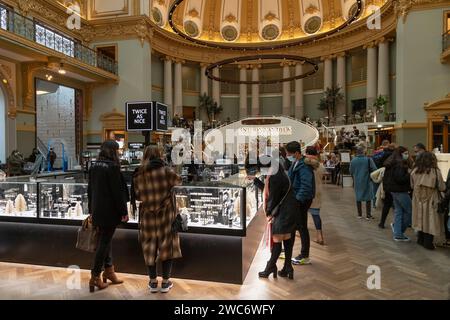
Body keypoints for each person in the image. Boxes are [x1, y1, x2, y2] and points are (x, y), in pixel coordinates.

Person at [131, 145, 182, 293]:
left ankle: (153, 282)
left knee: (149, 248)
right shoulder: (166, 171)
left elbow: (138, 196)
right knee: (167, 247)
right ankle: (165, 282)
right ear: (159, 155)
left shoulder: (139, 174)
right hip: (166, 216)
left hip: (147, 215)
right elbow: (179, 181)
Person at [88, 140, 129, 292]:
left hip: (97, 210)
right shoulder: (113, 167)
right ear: (113, 151)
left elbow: (90, 190)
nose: (118, 153)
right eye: (117, 150)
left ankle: (109, 271)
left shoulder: (94, 166)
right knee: (104, 243)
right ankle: (95, 275)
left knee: (105, 240)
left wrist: (91, 210)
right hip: (110, 212)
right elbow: (117, 193)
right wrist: (124, 212)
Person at [248, 155, 297, 280]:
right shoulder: (279, 173)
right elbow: (271, 191)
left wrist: (269, 213)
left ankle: (270, 267)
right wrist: (255, 181)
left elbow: (272, 197)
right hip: (289, 210)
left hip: (282, 213)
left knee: (277, 240)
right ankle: (287, 268)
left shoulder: (274, 177)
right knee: (286, 239)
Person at [285, 141, 315, 266]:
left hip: (302, 200)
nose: (287, 155)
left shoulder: (303, 165)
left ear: (296, 153)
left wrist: (297, 200)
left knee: (302, 227)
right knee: (298, 226)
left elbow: (306, 186)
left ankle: (304, 255)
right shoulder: (296, 162)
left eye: (289, 153)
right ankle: (290, 252)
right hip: (298, 199)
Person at [410, 152, 446, 250]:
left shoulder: (415, 171)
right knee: (430, 220)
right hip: (431, 199)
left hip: (417, 198)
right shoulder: (435, 171)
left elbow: (412, 185)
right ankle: (428, 243)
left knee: (420, 218)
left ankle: (420, 240)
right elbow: (442, 187)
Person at [383, 146, 413, 241]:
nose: (407, 155)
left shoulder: (392, 162)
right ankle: (399, 231)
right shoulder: (400, 164)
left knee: (398, 211)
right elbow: (400, 179)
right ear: (401, 154)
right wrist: (409, 173)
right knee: (409, 211)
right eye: (405, 153)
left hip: (393, 190)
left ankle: (397, 233)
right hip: (400, 190)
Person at [305, 146, 325, 245]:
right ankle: (319, 236)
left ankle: (301, 232)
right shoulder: (321, 166)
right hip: (317, 192)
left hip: (306, 191)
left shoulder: (305, 164)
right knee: (316, 214)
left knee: (302, 213)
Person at [349, 146, 377, 220]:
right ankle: (368, 215)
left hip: (357, 181)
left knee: (358, 197)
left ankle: (359, 214)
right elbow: (374, 169)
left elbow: (351, 171)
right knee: (368, 197)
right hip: (367, 180)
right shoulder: (368, 159)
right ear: (363, 152)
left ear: (356, 152)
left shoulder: (353, 160)